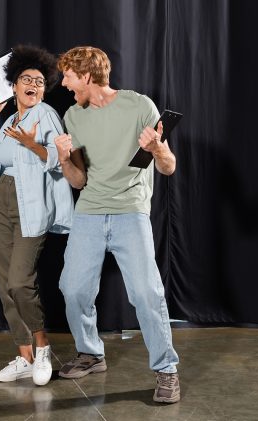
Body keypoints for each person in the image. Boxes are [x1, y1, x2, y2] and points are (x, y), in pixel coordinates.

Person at [53, 46, 181, 403]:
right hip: (90, 211)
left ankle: (166, 370)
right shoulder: (73, 116)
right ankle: (91, 353)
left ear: (87, 76)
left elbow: (168, 166)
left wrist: (156, 147)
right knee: (73, 289)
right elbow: (78, 181)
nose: (63, 83)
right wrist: (64, 159)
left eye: (68, 76)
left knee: (146, 294)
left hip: (130, 211)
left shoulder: (140, 106)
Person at [0, 45, 73, 386]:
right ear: (14, 85)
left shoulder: (46, 114)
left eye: (39, 80)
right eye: (26, 79)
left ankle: (43, 346)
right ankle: (23, 356)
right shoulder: (9, 121)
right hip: (1, 201)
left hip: (30, 204)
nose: (33, 84)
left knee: (21, 281)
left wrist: (35, 145)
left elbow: (58, 157)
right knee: (5, 284)